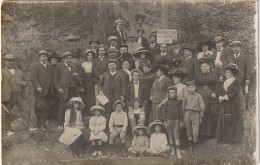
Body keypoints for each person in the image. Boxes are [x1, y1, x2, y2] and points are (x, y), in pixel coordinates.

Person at [2, 54, 32, 135]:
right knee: (7, 113)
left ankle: (26, 127)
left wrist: (24, 83)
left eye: (12, 61)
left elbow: (25, 81)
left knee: (26, 109)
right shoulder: (2, 72)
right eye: (8, 61)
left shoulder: (19, 72)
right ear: (5, 62)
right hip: (8, 96)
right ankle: (7, 129)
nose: (10, 62)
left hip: (19, 95)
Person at [212, 63, 243, 142]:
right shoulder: (224, 81)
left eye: (229, 72)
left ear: (232, 73)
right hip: (224, 103)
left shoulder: (236, 81)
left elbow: (235, 92)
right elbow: (220, 90)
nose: (227, 74)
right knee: (223, 118)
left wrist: (226, 97)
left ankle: (232, 138)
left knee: (230, 118)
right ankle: (222, 137)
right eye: (226, 72)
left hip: (232, 103)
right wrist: (219, 96)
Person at [194, 57, 220, 138]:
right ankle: (200, 132)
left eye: (206, 66)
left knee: (208, 112)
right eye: (202, 66)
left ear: (209, 67)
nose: (204, 68)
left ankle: (209, 133)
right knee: (200, 111)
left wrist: (215, 93)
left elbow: (218, 86)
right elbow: (194, 85)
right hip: (199, 95)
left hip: (210, 96)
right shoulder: (197, 75)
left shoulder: (213, 75)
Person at [54, 52, 80, 129]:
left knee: (73, 106)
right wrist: (59, 88)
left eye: (70, 58)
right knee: (63, 106)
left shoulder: (74, 67)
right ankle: (60, 123)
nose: (69, 60)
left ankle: (72, 123)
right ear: (64, 60)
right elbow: (55, 80)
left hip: (73, 89)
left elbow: (78, 80)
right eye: (67, 58)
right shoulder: (59, 66)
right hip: (64, 90)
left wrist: (77, 77)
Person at [31, 50, 53, 131]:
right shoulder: (36, 66)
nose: (44, 58)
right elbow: (33, 78)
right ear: (39, 58)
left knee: (47, 107)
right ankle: (40, 124)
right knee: (40, 107)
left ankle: (43, 122)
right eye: (43, 56)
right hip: (40, 91)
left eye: (46, 56)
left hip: (49, 91)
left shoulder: (48, 67)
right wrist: (38, 87)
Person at [226, 41, 251, 110]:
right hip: (231, 81)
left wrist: (247, 79)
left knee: (241, 95)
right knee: (231, 95)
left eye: (237, 47)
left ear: (240, 48)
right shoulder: (229, 58)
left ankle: (242, 110)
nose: (235, 48)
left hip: (241, 80)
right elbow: (226, 69)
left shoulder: (245, 57)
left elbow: (248, 69)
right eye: (234, 47)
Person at [182, 80, 205, 155]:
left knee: (195, 131)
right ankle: (190, 147)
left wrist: (201, 116)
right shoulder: (186, 96)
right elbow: (183, 106)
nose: (191, 88)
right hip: (187, 113)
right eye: (189, 87)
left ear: (195, 87)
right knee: (188, 130)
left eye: (192, 87)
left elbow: (202, 106)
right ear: (187, 88)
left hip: (196, 114)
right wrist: (184, 116)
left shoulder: (198, 96)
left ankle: (195, 147)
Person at [162, 86, 182, 159]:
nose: (172, 94)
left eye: (174, 93)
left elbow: (181, 112)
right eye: (171, 93)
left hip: (176, 120)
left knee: (176, 136)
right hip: (169, 120)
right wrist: (165, 121)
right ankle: (172, 150)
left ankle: (178, 151)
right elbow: (164, 112)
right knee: (170, 136)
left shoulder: (178, 102)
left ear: (176, 94)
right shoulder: (167, 102)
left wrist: (181, 121)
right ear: (169, 94)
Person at [81, 49, 100, 116]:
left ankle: (92, 111)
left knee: (92, 95)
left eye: (91, 55)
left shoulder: (94, 63)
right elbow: (82, 72)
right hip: (85, 79)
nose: (90, 56)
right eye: (89, 55)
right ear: (86, 56)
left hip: (93, 79)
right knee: (86, 95)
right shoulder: (83, 64)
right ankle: (86, 111)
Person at [140, 60, 155, 125]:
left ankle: (148, 123)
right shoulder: (141, 75)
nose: (145, 69)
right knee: (142, 107)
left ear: (150, 68)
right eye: (143, 68)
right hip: (142, 93)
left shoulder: (152, 75)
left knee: (148, 109)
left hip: (149, 92)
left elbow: (154, 86)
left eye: (146, 68)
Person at [47, 52, 61, 122]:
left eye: (55, 60)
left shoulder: (59, 68)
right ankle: (49, 117)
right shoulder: (48, 68)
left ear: (57, 61)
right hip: (50, 87)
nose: (54, 61)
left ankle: (56, 117)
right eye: (52, 60)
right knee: (50, 102)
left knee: (57, 102)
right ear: (50, 61)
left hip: (57, 87)